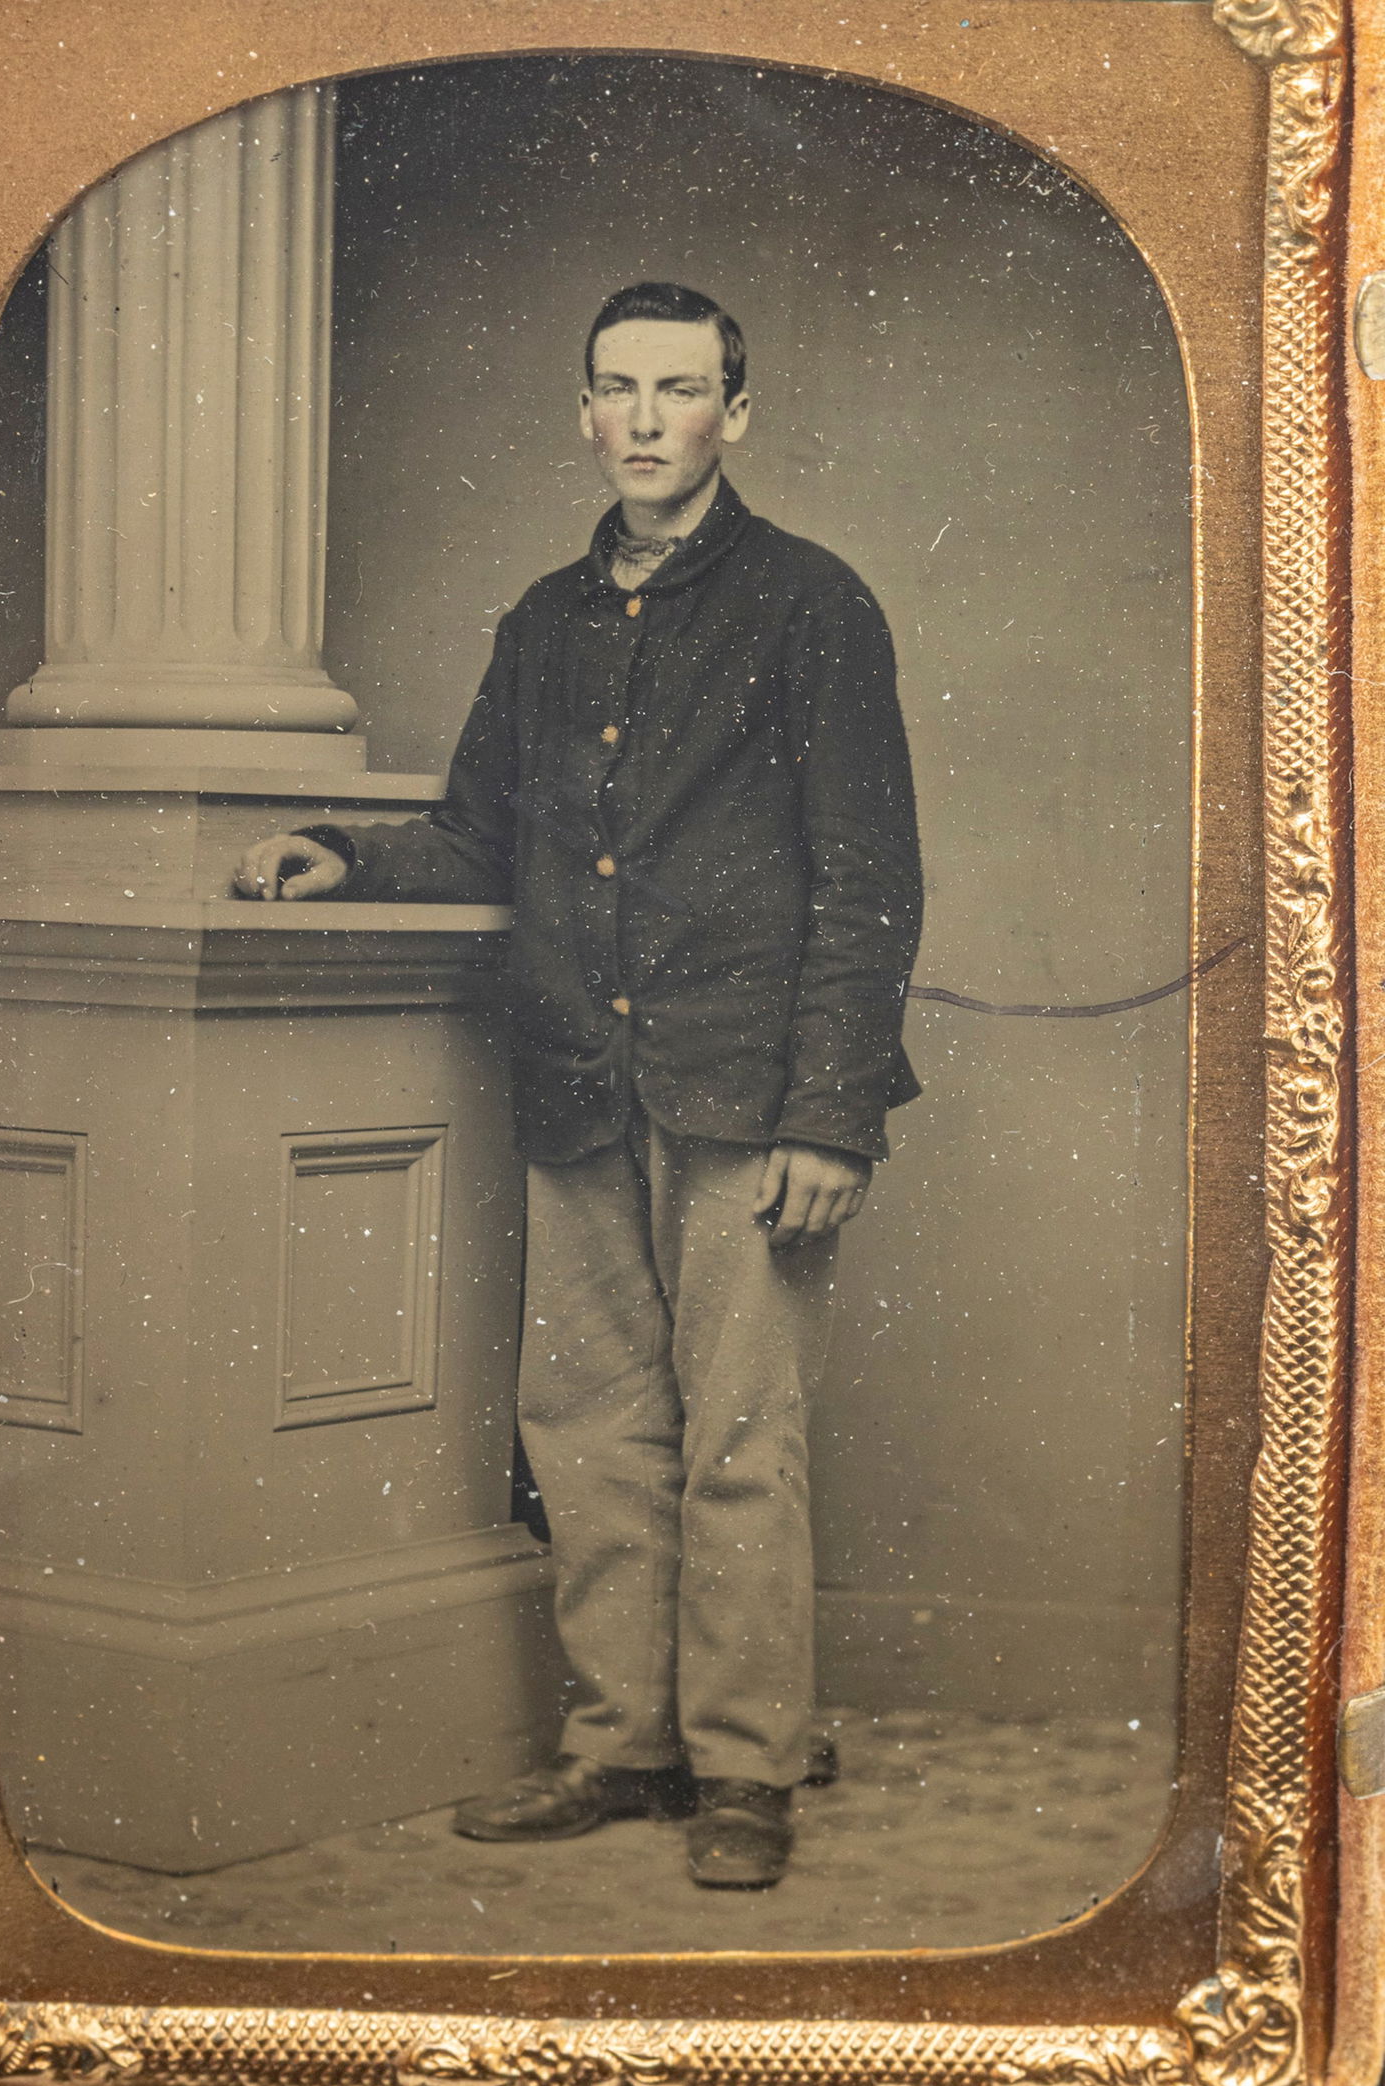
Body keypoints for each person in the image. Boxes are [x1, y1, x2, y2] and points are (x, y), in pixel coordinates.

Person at [235, 283, 923, 1889]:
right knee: (591, 1428)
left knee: (740, 1434)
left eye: (679, 388)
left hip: (748, 1097)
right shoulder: (545, 621)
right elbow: (484, 828)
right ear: (585, 410)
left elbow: (870, 879)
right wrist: (340, 854)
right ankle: (625, 1747)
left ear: (732, 415)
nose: (644, 417)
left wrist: (832, 1112)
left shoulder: (815, 606)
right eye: (616, 386)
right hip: (580, 1079)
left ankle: (746, 1773)